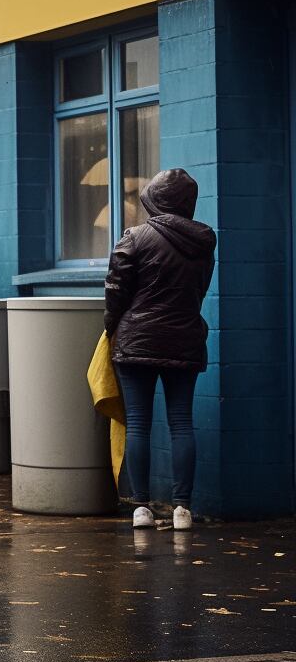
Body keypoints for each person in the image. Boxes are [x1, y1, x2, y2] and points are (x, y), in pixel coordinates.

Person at [104, 168, 215, 532]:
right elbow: (198, 290)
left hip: (138, 339)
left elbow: (116, 293)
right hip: (185, 336)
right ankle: (182, 508)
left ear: (154, 199)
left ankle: (140, 507)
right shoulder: (204, 241)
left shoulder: (134, 238)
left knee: (138, 423)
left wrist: (112, 329)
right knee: (181, 422)